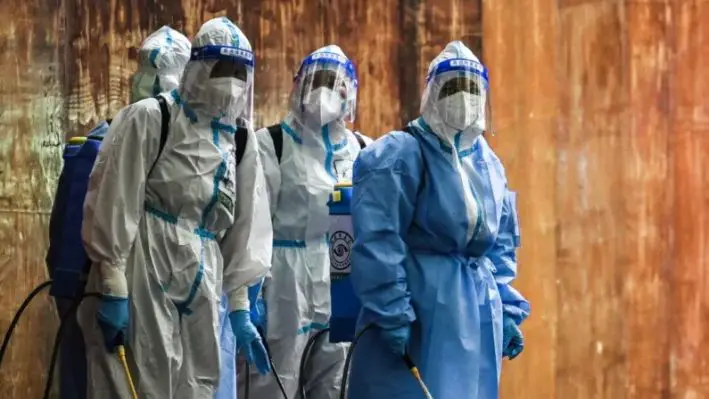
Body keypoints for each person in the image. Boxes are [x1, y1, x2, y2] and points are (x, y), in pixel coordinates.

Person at [78, 17, 272, 398]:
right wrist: (113, 284)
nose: (231, 81)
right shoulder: (152, 117)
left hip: (205, 267)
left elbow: (245, 227)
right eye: (222, 68)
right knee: (141, 378)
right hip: (147, 259)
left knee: (199, 383)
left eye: (240, 71)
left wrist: (240, 306)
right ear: (199, 66)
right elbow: (115, 198)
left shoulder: (242, 139)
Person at [346, 41, 530, 399]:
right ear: (432, 94)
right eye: (452, 87)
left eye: (472, 88)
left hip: (475, 317)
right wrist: (392, 310)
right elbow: (379, 238)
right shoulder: (400, 153)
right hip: (420, 311)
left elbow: (501, 244)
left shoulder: (489, 166)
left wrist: (506, 307)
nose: (463, 97)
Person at [46, 25, 191, 399]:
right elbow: (67, 255)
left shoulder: (188, 156)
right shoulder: (98, 147)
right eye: (147, 70)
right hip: (101, 298)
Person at [238, 45, 369, 399]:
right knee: (274, 383)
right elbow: (252, 226)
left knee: (336, 384)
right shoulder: (272, 144)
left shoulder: (362, 150)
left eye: (336, 83)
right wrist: (250, 295)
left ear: (351, 92)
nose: (325, 91)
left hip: (341, 279)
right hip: (284, 283)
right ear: (297, 86)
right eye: (317, 80)